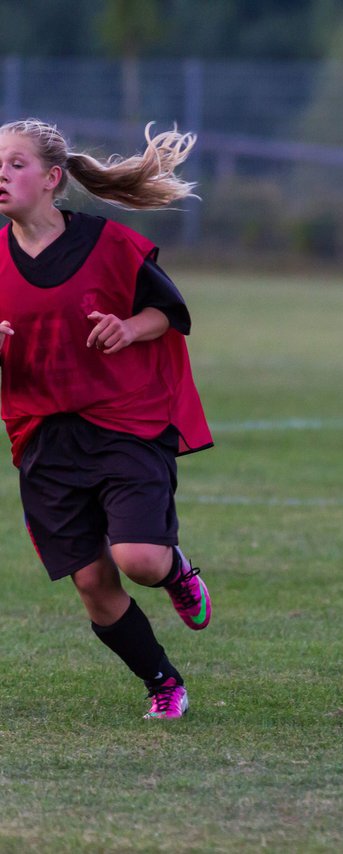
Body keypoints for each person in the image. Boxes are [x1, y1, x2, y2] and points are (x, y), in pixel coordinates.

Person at [0, 119, 213, 720]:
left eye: (16, 163)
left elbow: (169, 313)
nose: (2, 173)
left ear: (52, 178)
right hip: (43, 438)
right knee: (94, 584)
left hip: (125, 422)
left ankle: (177, 574)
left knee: (139, 560)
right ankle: (163, 683)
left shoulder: (108, 243)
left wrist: (128, 326)